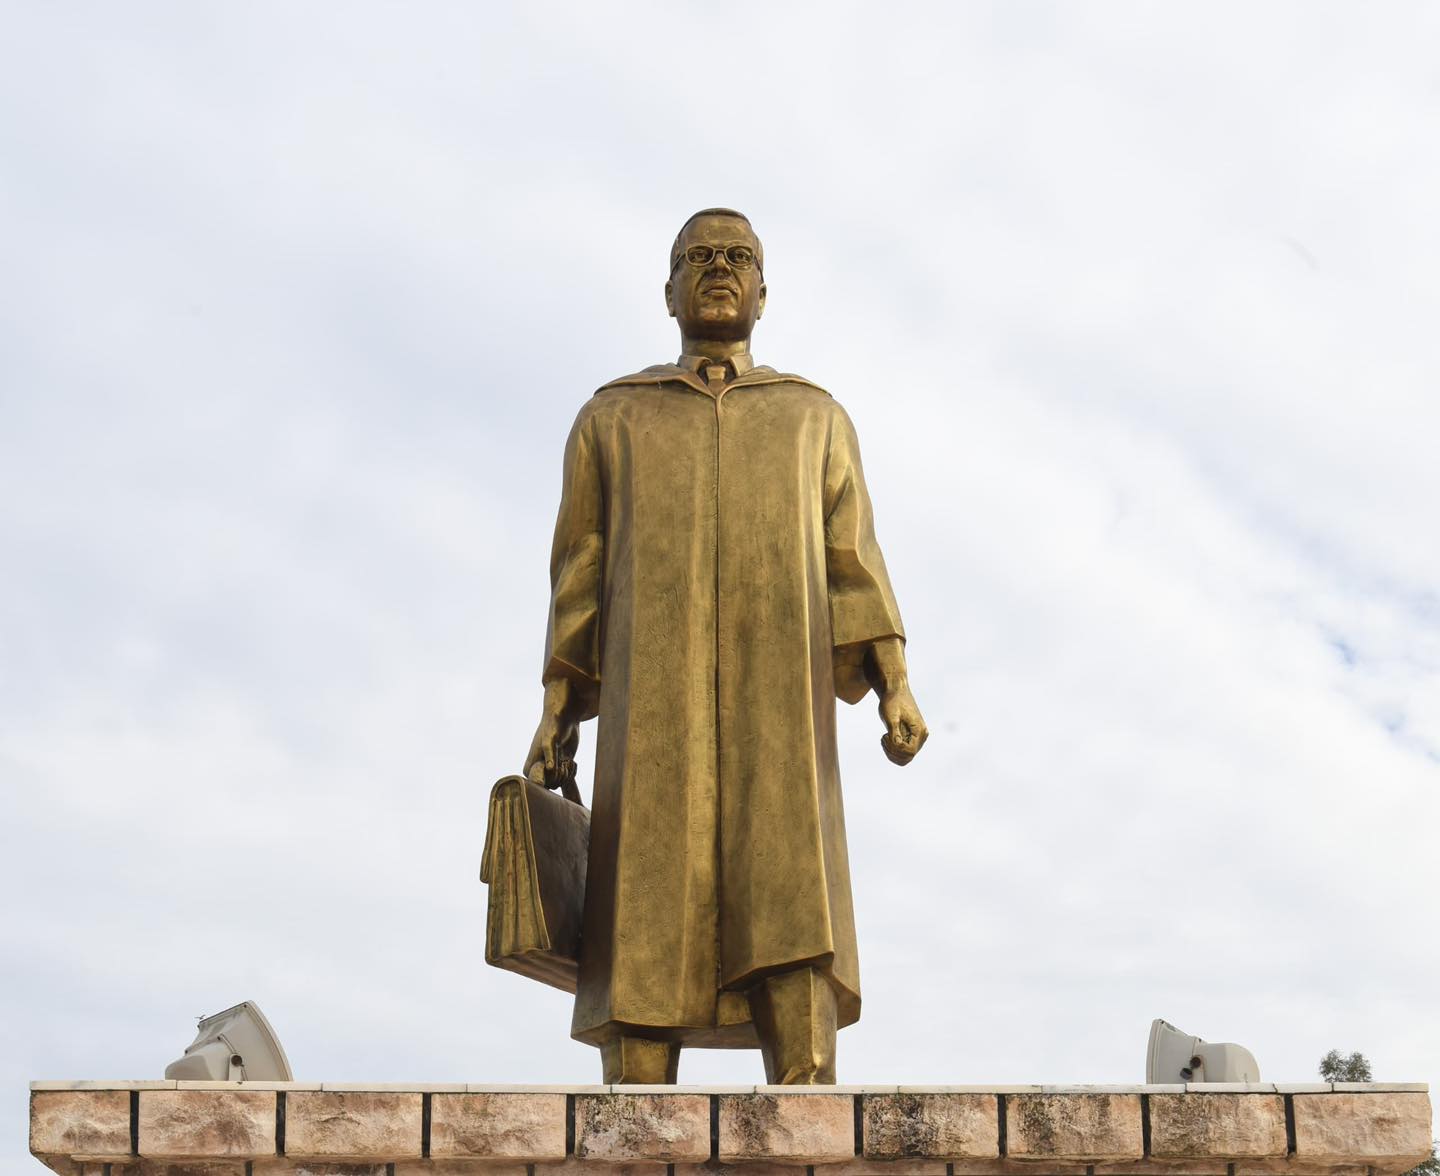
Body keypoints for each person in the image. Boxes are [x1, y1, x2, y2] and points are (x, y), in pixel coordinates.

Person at [525, 208, 927, 1084]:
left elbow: (853, 558)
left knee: (789, 885)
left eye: (737, 257)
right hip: (650, 705)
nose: (718, 269)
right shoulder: (614, 417)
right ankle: (635, 1116)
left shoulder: (812, 417)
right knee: (644, 898)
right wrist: (559, 707)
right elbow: (579, 571)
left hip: (779, 702)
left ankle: (807, 1102)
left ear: (763, 293)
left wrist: (893, 680)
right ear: (669, 291)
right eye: (698, 257)